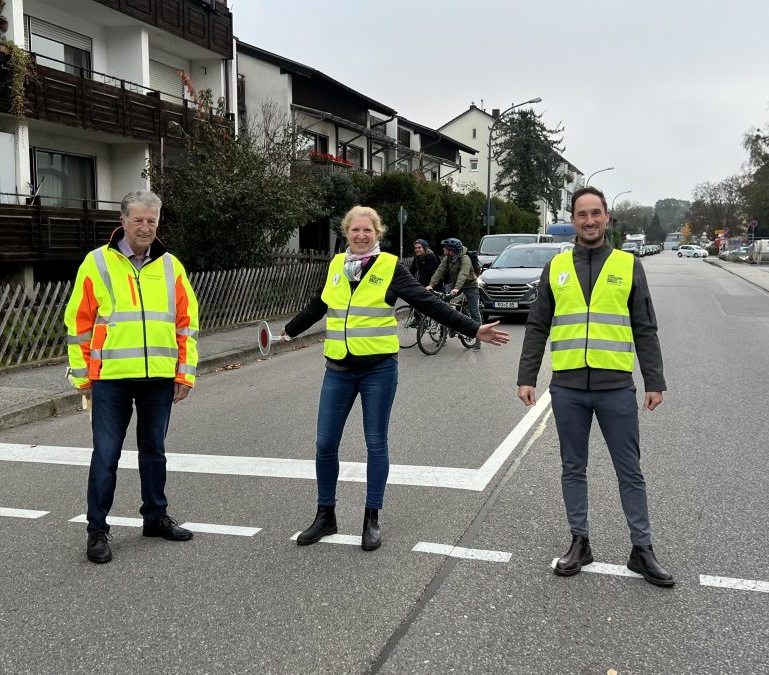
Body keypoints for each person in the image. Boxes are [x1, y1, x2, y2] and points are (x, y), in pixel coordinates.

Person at [284, 206, 509, 551]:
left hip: (378, 370)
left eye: (368, 231)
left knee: (376, 443)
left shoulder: (390, 267)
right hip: (338, 369)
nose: (361, 236)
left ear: (378, 234)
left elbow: (427, 303)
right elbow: (319, 306)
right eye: (355, 230)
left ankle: (371, 517)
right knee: (325, 444)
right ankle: (325, 515)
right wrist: (286, 332)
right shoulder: (335, 266)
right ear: (347, 233)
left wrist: (474, 327)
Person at [516, 186, 673, 587]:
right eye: (581, 214)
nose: (589, 221)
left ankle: (642, 549)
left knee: (629, 471)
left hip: (615, 386)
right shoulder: (556, 268)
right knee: (573, 468)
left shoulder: (627, 264)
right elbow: (537, 325)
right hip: (567, 387)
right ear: (573, 219)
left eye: (595, 213)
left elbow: (645, 326)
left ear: (607, 218)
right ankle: (580, 541)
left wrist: (653, 380)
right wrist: (526, 376)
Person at [64, 189, 200, 565]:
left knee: (154, 453)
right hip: (110, 378)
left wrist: (184, 374)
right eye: (138, 220)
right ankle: (97, 530)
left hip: (158, 377)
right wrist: (82, 377)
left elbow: (186, 325)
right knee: (106, 455)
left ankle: (155, 518)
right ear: (122, 221)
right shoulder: (97, 264)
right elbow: (79, 324)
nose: (145, 227)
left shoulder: (171, 266)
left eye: (151, 221)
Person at [426, 237, 482, 350]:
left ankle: (478, 339)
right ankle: (443, 335)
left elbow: (463, 274)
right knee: (442, 305)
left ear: (451, 250)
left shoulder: (465, 258)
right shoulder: (447, 258)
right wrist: (431, 285)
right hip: (455, 284)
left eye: (445, 248)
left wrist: (456, 288)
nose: (443, 250)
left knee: (474, 311)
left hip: (470, 286)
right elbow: (439, 271)